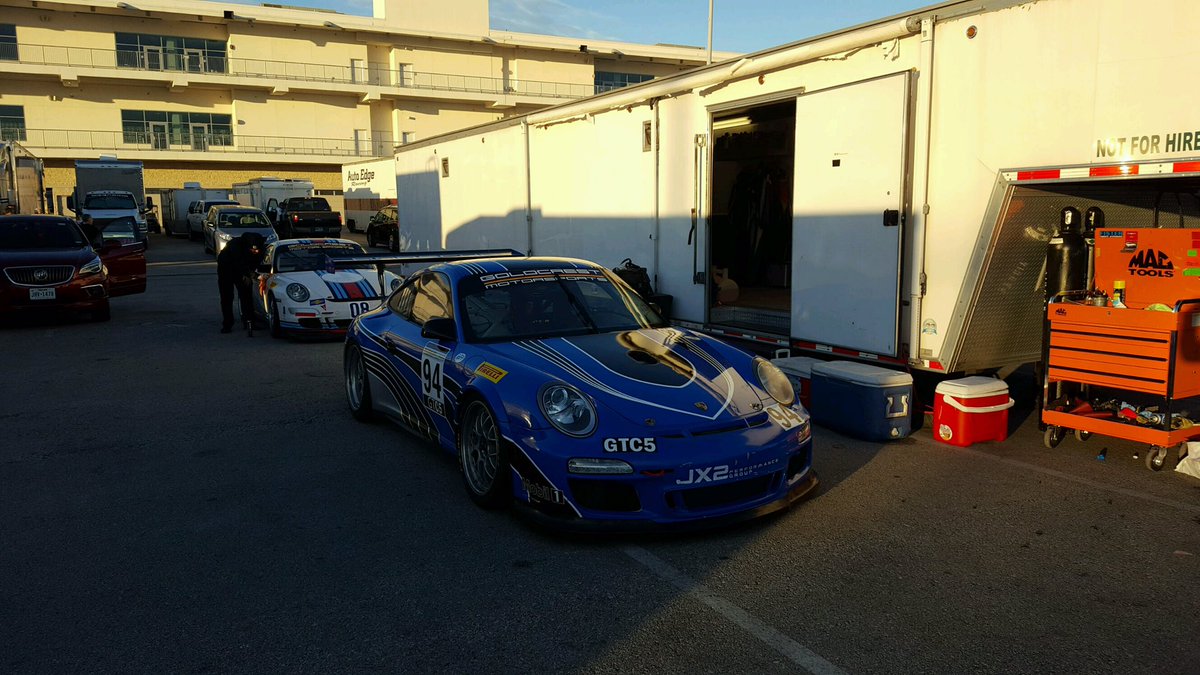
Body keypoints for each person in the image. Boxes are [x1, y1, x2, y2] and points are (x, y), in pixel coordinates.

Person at [216, 232, 267, 335]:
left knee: (247, 296)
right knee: (227, 297)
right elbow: (238, 262)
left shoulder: (261, 248)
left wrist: (253, 273)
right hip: (226, 270)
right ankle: (227, 324)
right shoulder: (235, 245)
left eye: (257, 250)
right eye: (253, 250)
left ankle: (249, 322)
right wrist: (250, 274)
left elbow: (256, 262)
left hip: (243, 270)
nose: (255, 251)